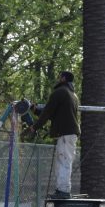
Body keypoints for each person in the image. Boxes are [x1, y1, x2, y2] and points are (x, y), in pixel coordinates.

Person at [28, 70, 81, 198]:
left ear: (63, 78)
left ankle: (63, 191)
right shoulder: (72, 95)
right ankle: (61, 189)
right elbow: (55, 114)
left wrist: (35, 127)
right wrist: (36, 111)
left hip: (65, 133)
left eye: (59, 76)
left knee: (63, 161)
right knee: (63, 160)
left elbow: (47, 112)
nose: (58, 78)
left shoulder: (60, 92)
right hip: (69, 132)